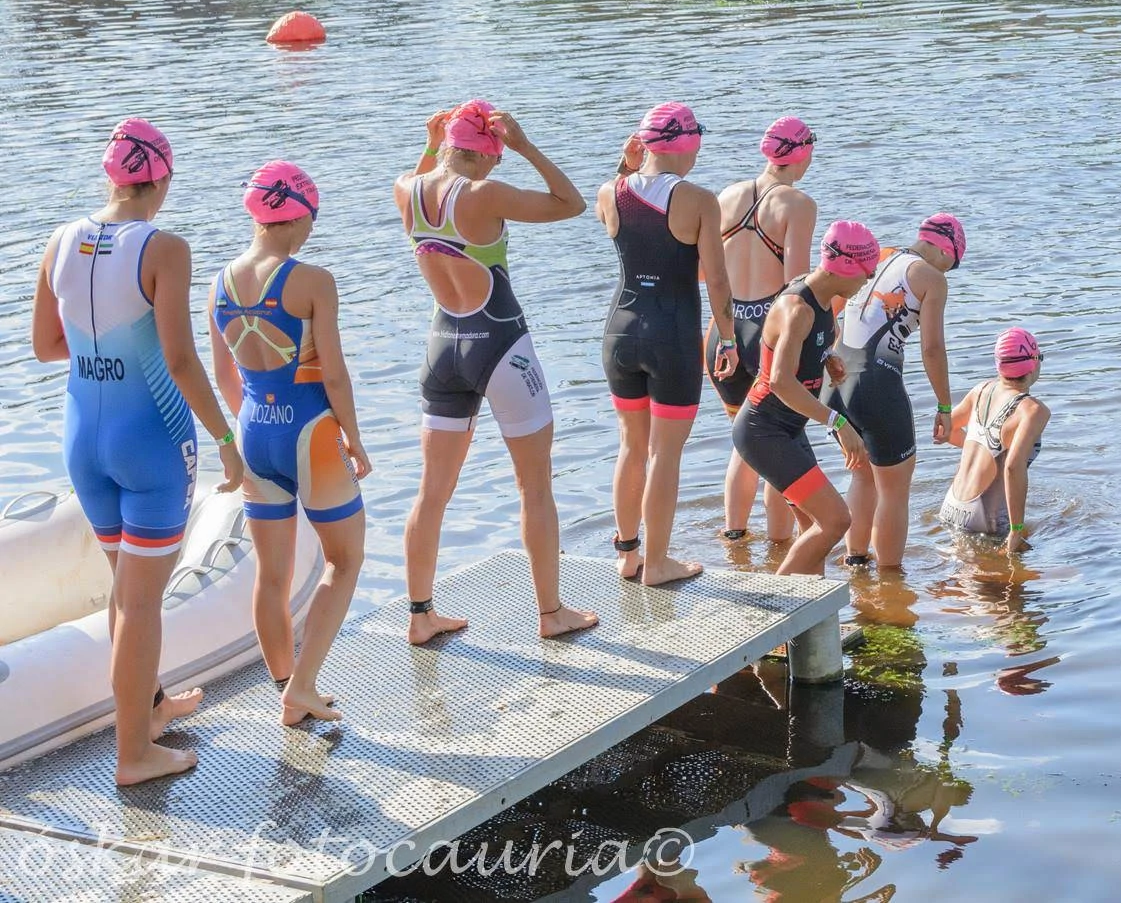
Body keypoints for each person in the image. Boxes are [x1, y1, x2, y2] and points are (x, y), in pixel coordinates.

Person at [30, 119, 244, 786]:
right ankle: (133, 756)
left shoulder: (60, 239)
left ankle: (149, 709)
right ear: (163, 180)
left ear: (110, 177)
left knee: (128, 589)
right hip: (150, 443)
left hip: (82, 438)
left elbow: (46, 344)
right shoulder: (165, 247)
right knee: (141, 602)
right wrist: (226, 439)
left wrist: (103, 352)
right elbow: (179, 359)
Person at [394, 100, 595, 644]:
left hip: (442, 350)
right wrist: (527, 145)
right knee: (535, 487)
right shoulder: (484, 193)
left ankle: (419, 616)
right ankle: (551, 614)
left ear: (446, 145)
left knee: (431, 492)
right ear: (487, 154)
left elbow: (425, 175)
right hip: (501, 346)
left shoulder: (405, 188)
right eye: (498, 158)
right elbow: (571, 203)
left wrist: (431, 144)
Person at [207, 162, 368, 728]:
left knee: (270, 576)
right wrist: (354, 437)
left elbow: (223, 374)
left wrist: (252, 420)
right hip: (312, 433)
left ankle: (285, 688)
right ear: (297, 215)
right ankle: (302, 686)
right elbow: (336, 374)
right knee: (344, 560)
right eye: (313, 219)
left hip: (254, 430)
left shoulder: (220, 281)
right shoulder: (312, 280)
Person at [598, 104, 736, 587]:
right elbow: (716, 280)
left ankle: (628, 554)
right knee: (665, 454)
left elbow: (622, 212)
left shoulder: (609, 193)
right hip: (672, 335)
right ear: (688, 145)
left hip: (619, 331)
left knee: (630, 446)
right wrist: (731, 337)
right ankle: (657, 565)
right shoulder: (699, 199)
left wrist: (624, 164)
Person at [730, 221, 880, 576]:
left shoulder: (824, 298)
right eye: (866, 272)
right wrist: (837, 422)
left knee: (814, 531)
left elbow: (814, 343)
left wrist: (828, 358)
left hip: (787, 428)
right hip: (763, 430)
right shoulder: (799, 309)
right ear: (845, 267)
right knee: (834, 521)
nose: (867, 281)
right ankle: (775, 615)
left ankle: (811, 625)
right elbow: (780, 380)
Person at [830, 214, 962, 570]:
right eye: (952, 262)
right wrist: (945, 406)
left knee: (862, 473)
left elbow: (833, 307)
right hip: (876, 383)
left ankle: (855, 560)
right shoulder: (930, 278)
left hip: (836, 378)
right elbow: (932, 348)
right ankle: (890, 582)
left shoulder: (881, 255)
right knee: (894, 488)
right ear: (941, 247)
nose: (949, 271)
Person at [715, 116, 819, 543]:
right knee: (776, 439)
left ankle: (734, 539)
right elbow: (795, 286)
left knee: (745, 438)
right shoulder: (797, 204)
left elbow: (709, 274)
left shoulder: (727, 195)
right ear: (804, 153)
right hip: (767, 330)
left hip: (725, 328)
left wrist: (726, 334)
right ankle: (780, 548)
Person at [939, 329, 1049, 554]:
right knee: (1010, 584)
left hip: (951, 505)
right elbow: (1012, 467)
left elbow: (945, 430)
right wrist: (1016, 530)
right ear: (1033, 364)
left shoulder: (981, 390)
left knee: (966, 574)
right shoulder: (1032, 410)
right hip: (984, 515)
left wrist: (981, 448)